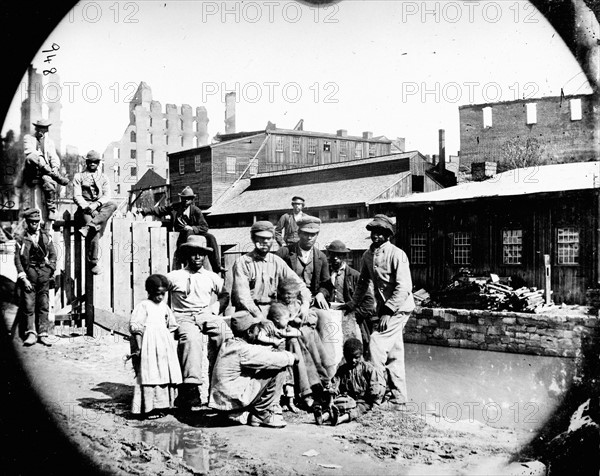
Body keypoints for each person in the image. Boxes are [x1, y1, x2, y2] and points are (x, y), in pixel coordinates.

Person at [342, 214, 416, 405]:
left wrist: (388, 311)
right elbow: (363, 282)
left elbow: (404, 287)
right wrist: (352, 304)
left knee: (376, 343)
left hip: (399, 308)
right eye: (373, 232)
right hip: (385, 309)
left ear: (387, 235)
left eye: (380, 233)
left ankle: (376, 392)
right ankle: (399, 396)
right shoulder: (368, 255)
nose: (375, 236)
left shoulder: (397, 254)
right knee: (394, 352)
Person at [166, 235, 230, 411]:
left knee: (224, 333)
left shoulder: (211, 277)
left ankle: (219, 387)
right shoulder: (174, 276)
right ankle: (191, 390)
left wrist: (214, 309)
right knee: (191, 339)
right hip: (183, 316)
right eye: (193, 254)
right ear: (187, 255)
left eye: (201, 254)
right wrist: (166, 316)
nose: (197, 257)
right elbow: (158, 295)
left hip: (205, 314)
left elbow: (225, 296)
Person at [208, 311, 297, 428]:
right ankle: (261, 413)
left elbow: (258, 351)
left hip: (223, 402)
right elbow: (274, 359)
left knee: (270, 363)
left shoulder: (229, 344)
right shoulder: (243, 350)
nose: (259, 332)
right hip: (233, 401)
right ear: (249, 332)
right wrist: (292, 357)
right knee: (279, 366)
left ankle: (250, 413)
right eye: (257, 329)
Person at [276, 216, 337, 377]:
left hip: (312, 302)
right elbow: (274, 278)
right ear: (299, 232)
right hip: (289, 302)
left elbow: (326, 283)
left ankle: (329, 371)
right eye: (305, 234)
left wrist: (321, 293)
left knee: (325, 319)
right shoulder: (284, 253)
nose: (309, 238)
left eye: (313, 234)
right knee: (300, 329)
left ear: (317, 235)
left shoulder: (320, 257)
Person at [231, 220, 311, 320]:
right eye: (261, 238)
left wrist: (305, 304)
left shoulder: (277, 261)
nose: (265, 241)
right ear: (253, 238)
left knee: (307, 321)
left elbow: (299, 285)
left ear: (273, 240)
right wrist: (260, 317)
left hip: (273, 310)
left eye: (268, 238)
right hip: (250, 313)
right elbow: (243, 298)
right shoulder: (242, 263)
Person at [129, 274, 183, 419]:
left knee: (165, 373)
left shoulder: (165, 307)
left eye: (163, 294)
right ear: (149, 292)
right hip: (149, 345)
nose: (160, 297)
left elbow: (171, 325)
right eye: (157, 294)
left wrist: (169, 345)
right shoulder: (143, 306)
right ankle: (149, 408)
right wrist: (139, 348)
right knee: (150, 373)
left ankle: (164, 406)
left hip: (164, 345)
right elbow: (137, 328)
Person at [275, 279, 334, 411]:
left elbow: (310, 317)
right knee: (298, 343)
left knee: (310, 341)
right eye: (285, 295)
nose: (288, 298)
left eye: (291, 295)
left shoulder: (300, 304)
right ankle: (309, 390)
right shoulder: (279, 306)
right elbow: (281, 323)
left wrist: (301, 318)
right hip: (290, 336)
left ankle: (323, 383)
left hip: (302, 334)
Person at [140, 186, 224, 274]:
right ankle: (187, 261)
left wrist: (192, 228)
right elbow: (160, 210)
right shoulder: (175, 207)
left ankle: (217, 266)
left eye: (188, 199)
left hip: (195, 233)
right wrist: (144, 211)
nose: (185, 200)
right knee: (188, 233)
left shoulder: (196, 211)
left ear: (192, 200)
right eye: (183, 198)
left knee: (211, 237)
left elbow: (204, 227)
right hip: (181, 235)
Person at [314, 338, 385, 425]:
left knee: (358, 409)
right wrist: (332, 389)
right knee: (338, 405)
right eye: (350, 357)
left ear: (361, 355)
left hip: (363, 401)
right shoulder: (342, 369)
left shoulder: (368, 369)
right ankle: (323, 417)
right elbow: (335, 382)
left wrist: (374, 403)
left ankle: (340, 419)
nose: (353, 360)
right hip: (347, 399)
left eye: (356, 357)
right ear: (345, 356)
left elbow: (375, 387)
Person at [325, 240, 377, 356]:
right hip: (330, 320)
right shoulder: (327, 274)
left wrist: (354, 315)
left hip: (350, 319)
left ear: (344, 256)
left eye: (339, 255)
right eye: (333, 255)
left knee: (352, 353)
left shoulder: (355, 275)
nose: (335, 258)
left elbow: (369, 302)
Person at [14, 207, 57, 347]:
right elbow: (17, 260)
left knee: (43, 304)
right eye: (32, 222)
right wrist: (23, 278)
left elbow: (53, 255)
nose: (34, 224)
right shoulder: (21, 237)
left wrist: (50, 270)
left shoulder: (46, 236)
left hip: (43, 274)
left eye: (36, 222)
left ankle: (43, 333)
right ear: (27, 222)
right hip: (29, 274)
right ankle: (31, 333)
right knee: (28, 304)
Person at [72, 150, 118, 275]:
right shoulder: (78, 176)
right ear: (86, 162)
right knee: (95, 230)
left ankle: (89, 225)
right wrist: (87, 207)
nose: (92, 164)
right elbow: (77, 196)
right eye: (90, 161)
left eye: (95, 162)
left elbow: (107, 195)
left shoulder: (103, 177)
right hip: (84, 209)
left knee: (113, 204)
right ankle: (93, 262)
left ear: (98, 163)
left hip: (98, 206)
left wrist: (96, 204)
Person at [21, 119, 69, 223]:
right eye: (40, 129)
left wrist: (55, 167)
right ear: (36, 128)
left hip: (44, 173)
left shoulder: (49, 142)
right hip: (32, 170)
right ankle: (56, 176)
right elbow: (30, 152)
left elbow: (53, 156)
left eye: (44, 129)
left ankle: (51, 209)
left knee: (48, 181)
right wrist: (45, 165)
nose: (42, 132)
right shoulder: (28, 138)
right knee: (32, 157)